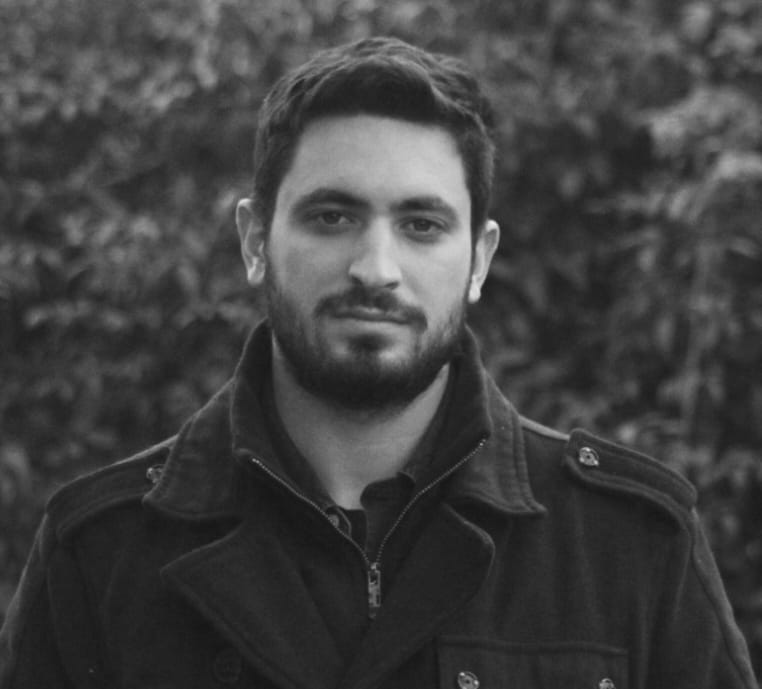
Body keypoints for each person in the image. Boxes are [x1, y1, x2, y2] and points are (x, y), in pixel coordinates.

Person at [0, 36, 756, 689]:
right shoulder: (101, 553)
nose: (376, 268)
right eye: (332, 216)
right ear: (256, 240)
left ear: (479, 258)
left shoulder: (631, 546)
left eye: (421, 224)